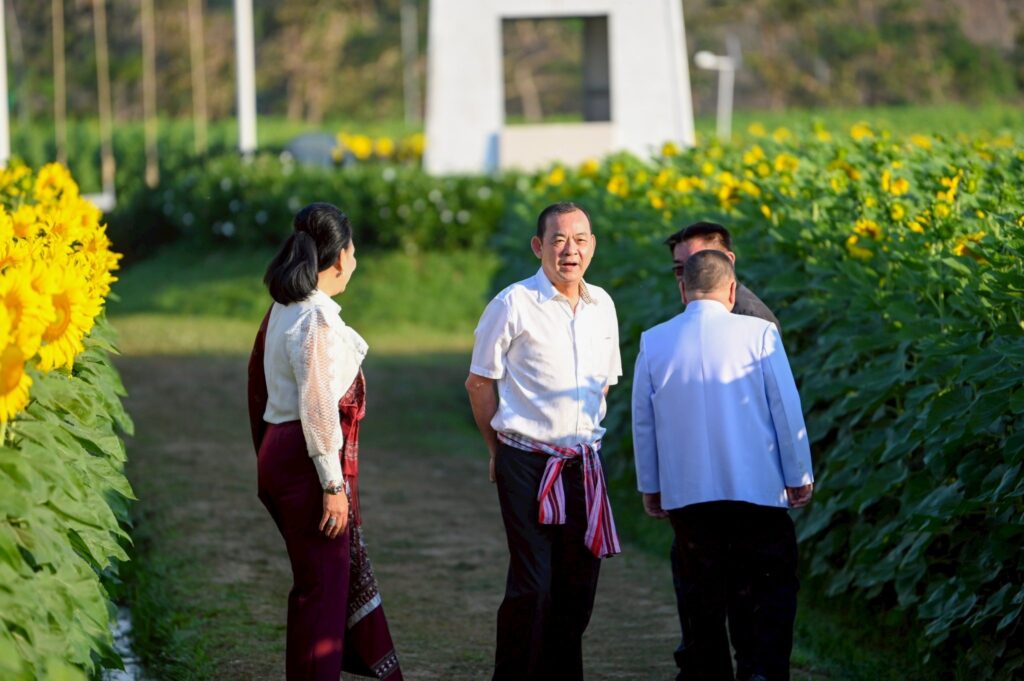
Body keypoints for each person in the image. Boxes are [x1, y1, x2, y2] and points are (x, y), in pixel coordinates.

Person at [631, 250, 814, 681]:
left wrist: (651, 485)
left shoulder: (653, 341)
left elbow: (644, 421)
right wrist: (799, 475)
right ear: (732, 290)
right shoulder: (760, 334)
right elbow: (785, 408)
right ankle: (762, 672)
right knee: (769, 590)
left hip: (688, 495)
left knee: (702, 598)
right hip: (758, 492)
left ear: (683, 289)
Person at [465, 201, 622, 681]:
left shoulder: (603, 306)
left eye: (580, 240)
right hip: (527, 464)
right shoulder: (513, 304)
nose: (570, 250)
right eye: (558, 240)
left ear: (592, 246)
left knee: (578, 588)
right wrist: (497, 451)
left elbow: (604, 386)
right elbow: (479, 382)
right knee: (533, 586)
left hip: (584, 466)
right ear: (538, 246)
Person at [247, 202, 402, 680]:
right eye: (353, 251)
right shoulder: (314, 319)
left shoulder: (284, 308)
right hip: (305, 462)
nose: (355, 261)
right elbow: (317, 407)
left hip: (281, 452)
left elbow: (262, 386)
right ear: (338, 259)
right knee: (322, 593)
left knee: (313, 587)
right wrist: (333, 486)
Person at [663, 221, 780, 681]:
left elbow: (774, 413)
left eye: (694, 265)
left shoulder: (754, 323)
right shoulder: (690, 320)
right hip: (706, 486)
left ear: (725, 262)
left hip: (741, 487)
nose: (686, 278)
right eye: (679, 269)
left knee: (738, 591)